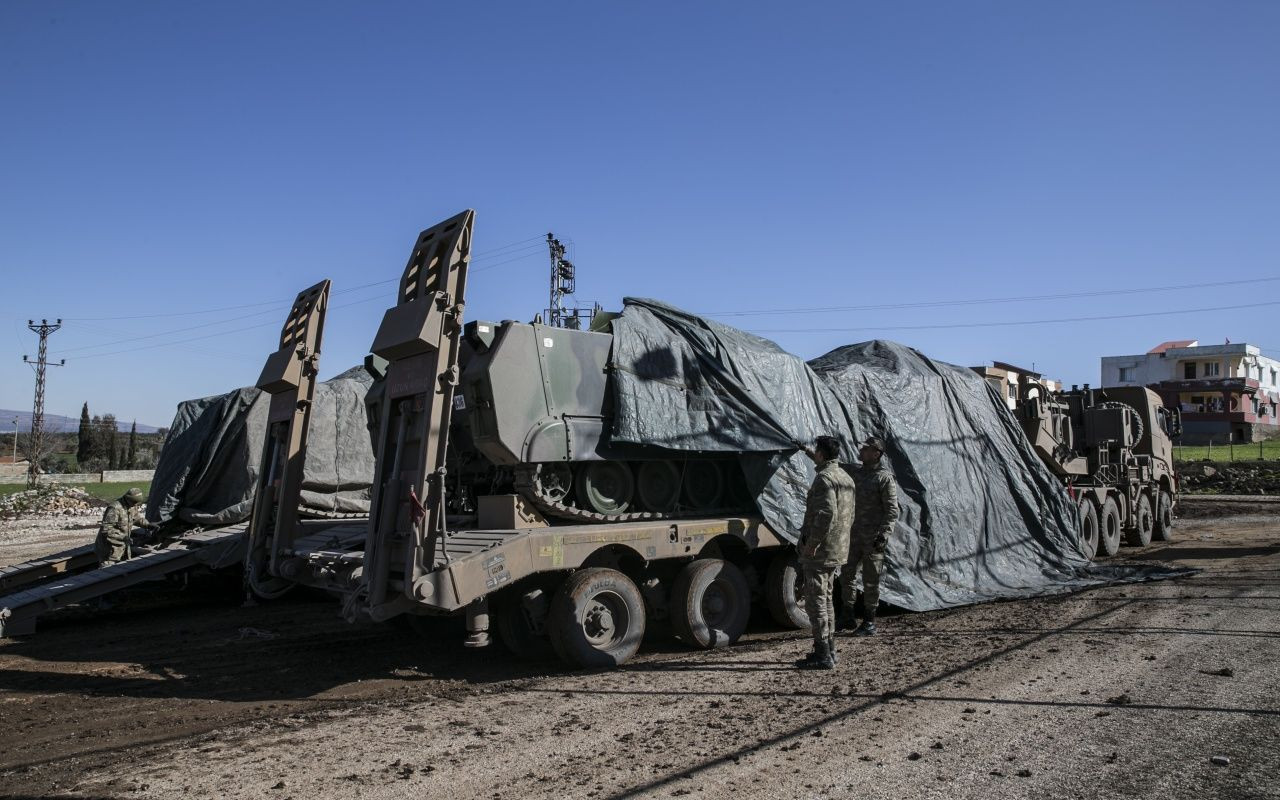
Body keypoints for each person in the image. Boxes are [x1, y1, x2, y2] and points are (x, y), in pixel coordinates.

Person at [794, 435, 856, 670]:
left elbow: (826, 514)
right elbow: (848, 515)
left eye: (816, 450)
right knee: (826, 598)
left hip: (821, 551)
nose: (815, 453)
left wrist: (811, 545)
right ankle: (828, 649)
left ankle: (823, 655)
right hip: (837, 548)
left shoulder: (824, 479)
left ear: (821, 453)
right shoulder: (845, 477)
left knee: (815, 602)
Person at [839, 436, 900, 636]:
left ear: (876, 454)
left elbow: (892, 510)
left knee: (870, 579)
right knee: (846, 575)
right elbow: (830, 463)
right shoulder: (856, 471)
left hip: (873, 538)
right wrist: (806, 449)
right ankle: (847, 616)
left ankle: (869, 622)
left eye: (866, 449)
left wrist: (883, 535)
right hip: (853, 535)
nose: (862, 451)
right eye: (862, 448)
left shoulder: (884, 478)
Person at [94, 487, 157, 567]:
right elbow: (106, 530)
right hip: (109, 549)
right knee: (108, 573)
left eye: (137, 503)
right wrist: (123, 537)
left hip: (123, 547)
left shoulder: (132, 505)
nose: (135, 505)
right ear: (128, 499)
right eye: (134, 502)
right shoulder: (115, 508)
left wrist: (148, 525)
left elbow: (135, 518)